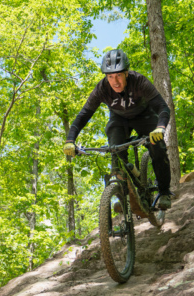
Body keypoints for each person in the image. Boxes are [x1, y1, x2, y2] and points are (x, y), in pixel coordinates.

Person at [63, 49, 173, 209]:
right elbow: (83, 115)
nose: (115, 81)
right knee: (115, 152)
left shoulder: (139, 82)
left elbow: (162, 107)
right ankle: (122, 195)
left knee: (158, 146)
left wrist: (160, 128)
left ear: (126, 73)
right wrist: (70, 140)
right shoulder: (102, 88)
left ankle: (163, 192)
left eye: (118, 75)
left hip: (144, 116)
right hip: (119, 119)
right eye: (110, 77)